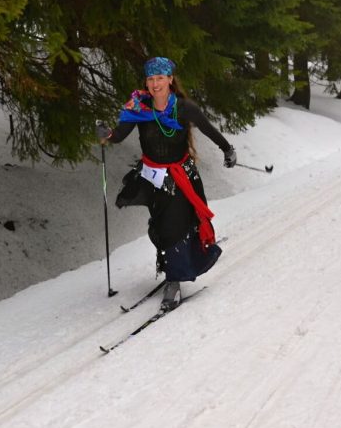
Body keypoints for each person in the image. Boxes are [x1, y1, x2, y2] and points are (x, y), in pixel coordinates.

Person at [97, 57, 236, 308]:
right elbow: (117, 136)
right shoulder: (139, 109)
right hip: (153, 178)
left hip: (181, 177)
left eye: (160, 78)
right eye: (150, 79)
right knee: (162, 226)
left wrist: (228, 149)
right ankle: (174, 264)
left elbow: (208, 128)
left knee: (176, 225)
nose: (155, 83)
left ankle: (175, 279)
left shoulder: (184, 108)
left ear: (170, 80)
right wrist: (106, 134)